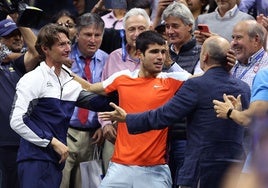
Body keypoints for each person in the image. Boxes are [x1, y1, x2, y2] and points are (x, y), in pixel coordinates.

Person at [99, 36, 251, 188]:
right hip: (236, 170)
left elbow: (163, 116)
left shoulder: (196, 85)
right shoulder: (243, 88)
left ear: (204, 56)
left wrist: (128, 118)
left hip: (201, 170)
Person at [9, 23, 112, 188]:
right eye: (61, 44)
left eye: (68, 43)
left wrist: (128, 85)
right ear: (45, 49)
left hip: (57, 160)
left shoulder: (69, 82)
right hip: (35, 158)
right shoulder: (33, 79)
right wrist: (52, 142)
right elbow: (17, 120)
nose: (68, 48)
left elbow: (99, 103)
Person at [84, 30, 191, 187]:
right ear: (140, 54)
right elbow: (89, 88)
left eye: (163, 52)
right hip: (119, 167)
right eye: (154, 52)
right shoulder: (123, 77)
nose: (160, 57)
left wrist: (171, 64)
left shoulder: (171, 80)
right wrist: (58, 69)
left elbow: (201, 81)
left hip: (155, 169)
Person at [59, 13, 108, 188]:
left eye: (97, 35)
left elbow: (109, 97)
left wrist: (103, 124)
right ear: (77, 34)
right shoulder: (63, 56)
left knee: (90, 186)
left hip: (94, 138)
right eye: (88, 34)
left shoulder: (107, 59)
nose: (93, 40)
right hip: (65, 133)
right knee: (61, 184)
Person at [0, 18, 40, 188]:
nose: (17, 38)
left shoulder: (18, 65)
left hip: (21, 141)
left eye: (19, 35)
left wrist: (21, 21)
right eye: (10, 36)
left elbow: (38, 52)